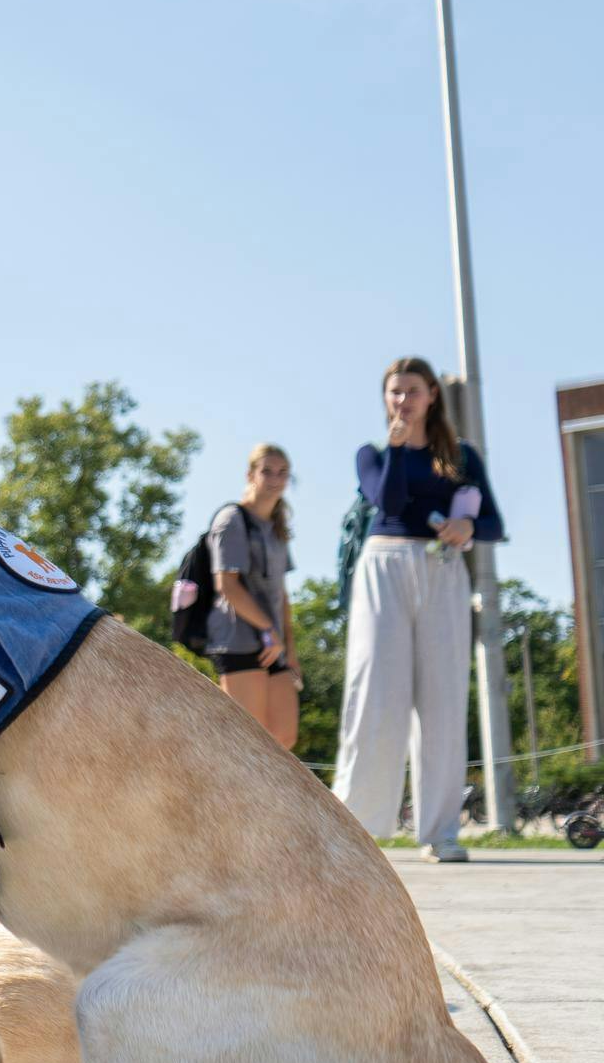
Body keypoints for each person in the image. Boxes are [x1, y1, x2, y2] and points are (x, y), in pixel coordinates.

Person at [332, 357, 505, 863]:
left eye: (411, 391)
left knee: (443, 700)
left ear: (432, 394)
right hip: (383, 564)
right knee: (375, 696)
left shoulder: (463, 457)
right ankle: (357, 829)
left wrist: (468, 528)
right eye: (393, 392)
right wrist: (398, 445)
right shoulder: (371, 454)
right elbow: (384, 497)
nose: (402, 400)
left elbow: (493, 522)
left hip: (443, 569)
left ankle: (440, 832)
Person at [205, 445, 298, 749]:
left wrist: (290, 650)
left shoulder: (277, 528)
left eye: (282, 472)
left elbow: (281, 595)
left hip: (274, 646)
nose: (275, 478)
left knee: (283, 739)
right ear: (250, 475)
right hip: (238, 640)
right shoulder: (231, 519)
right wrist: (267, 629)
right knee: (246, 743)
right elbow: (226, 586)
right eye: (267, 471)